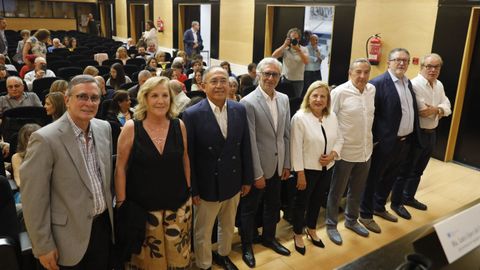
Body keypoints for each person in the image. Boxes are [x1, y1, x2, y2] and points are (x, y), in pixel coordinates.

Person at [21, 75, 114, 269]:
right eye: (82, 96)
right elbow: (33, 199)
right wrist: (42, 245)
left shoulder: (104, 128)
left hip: (101, 230)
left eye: (94, 98)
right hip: (66, 238)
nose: (89, 103)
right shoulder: (45, 138)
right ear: (66, 99)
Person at [114, 76, 191, 269]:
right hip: (144, 210)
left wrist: (188, 190)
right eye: (154, 95)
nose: (161, 100)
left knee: (178, 260)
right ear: (145, 98)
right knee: (149, 263)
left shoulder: (178, 125)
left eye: (165, 95)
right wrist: (122, 203)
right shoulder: (132, 127)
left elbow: (185, 159)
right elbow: (120, 168)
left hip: (177, 207)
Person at [183, 66, 253, 270]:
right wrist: (193, 189)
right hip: (206, 186)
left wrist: (247, 178)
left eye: (223, 80)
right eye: (214, 81)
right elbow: (189, 157)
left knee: (228, 225)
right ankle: (204, 263)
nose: (220, 85)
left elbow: (245, 146)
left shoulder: (239, 109)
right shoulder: (191, 115)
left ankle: (223, 254)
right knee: (203, 231)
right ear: (204, 86)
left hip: (233, 180)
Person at [360, 48, 421, 233]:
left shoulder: (407, 83)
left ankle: (379, 207)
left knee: (391, 176)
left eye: (405, 60)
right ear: (389, 62)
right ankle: (365, 214)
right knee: (373, 178)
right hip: (384, 143)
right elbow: (370, 115)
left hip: (403, 141)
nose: (401, 63)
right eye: (397, 60)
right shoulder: (377, 83)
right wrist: (376, 139)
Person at [239, 57, 291, 267]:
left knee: (273, 205)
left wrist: (287, 163)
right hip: (259, 167)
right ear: (258, 75)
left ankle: (269, 238)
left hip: (279, 166)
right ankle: (246, 245)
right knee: (249, 209)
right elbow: (250, 140)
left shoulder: (284, 99)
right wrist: (256, 173)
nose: (271, 78)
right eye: (267, 74)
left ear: (279, 77)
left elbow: (286, 133)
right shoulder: (248, 102)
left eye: (275, 74)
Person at [392, 53, 451, 211]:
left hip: (432, 133)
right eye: (429, 66)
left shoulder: (439, 85)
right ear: (421, 67)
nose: (432, 70)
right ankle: (396, 203)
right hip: (417, 134)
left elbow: (447, 106)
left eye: (436, 66)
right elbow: (423, 111)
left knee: (419, 170)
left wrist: (437, 109)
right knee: (406, 170)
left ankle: (408, 197)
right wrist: (439, 110)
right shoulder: (414, 84)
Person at [326, 58, 375, 246]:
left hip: (365, 150)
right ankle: (331, 225)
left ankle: (352, 220)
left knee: (357, 189)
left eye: (366, 72)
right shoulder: (339, 92)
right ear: (350, 73)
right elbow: (330, 120)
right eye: (358, 72)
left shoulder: (372, 90)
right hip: (344, 152)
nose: (362, 76)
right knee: (337, 191)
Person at [290, 80, 342, 255]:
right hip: (307, 170)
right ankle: (297, 233)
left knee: (317, 201)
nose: (319, 99)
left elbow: (340, 139)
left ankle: (311, 229)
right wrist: (300, 173)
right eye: (315, 95)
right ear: (308, 97)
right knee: (301, 203)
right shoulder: (299, 118)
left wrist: (333, 155)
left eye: (323, 96)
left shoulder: (332, 116)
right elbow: (295, 148)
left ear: (328, 100)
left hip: (327, 168)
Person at [271, 28, 309, 98]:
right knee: (283, 98)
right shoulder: (285, 49)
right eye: (292, 38)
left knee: (295, 100)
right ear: (288, 38)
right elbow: (274, 56)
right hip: (286, 79)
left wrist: (298, 50)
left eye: (296, 38)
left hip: (298, 80)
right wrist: (284, 45)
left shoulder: (304, 49)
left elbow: (306, 62)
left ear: (299, 39)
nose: (294, 40)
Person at [12, 123, 41, 190]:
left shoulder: (47, 155)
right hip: (25, 192)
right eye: (29, 139)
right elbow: (19, 181)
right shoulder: (17, 157)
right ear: (23, 141)